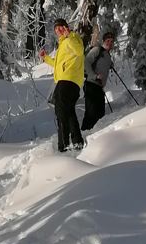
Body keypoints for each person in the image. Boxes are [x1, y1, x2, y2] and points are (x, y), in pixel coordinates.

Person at [39, 18, 85, 153]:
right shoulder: (63, 43)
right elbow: (59, 65)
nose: (58, 30)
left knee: (61, 112)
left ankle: (63, 145)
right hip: (67, 81)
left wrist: (68, 36)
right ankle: (77, 142)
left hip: (67, 81)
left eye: (60, 27)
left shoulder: (73, 38)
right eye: (56, 29)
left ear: (66, 27)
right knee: (68, 111)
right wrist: (46, 58)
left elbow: (79, 51)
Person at [81, 31, 114, 131]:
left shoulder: (108, 56)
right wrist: (94, 76)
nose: (110, 43)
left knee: (100, 114)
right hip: (91, 84)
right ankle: (84, 135)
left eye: (112, 41)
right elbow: (86, 62)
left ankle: (96, 137)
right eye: (108, 40)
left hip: (99, 87)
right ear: (103, 41)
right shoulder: (97, 50)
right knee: (91, 113)